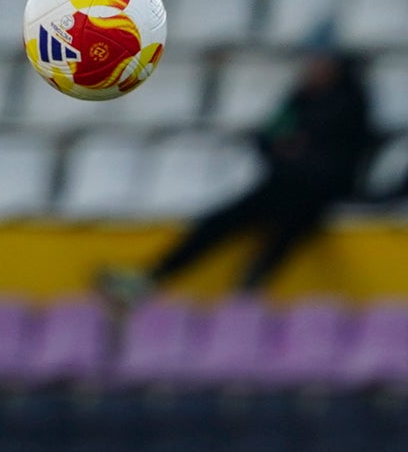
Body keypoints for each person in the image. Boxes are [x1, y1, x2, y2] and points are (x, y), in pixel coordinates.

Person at [100, 48, 376, 301]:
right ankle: (154, 275)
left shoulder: (349, 102)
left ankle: (246, 288)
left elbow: (331, 149)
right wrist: (289, 150)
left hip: (319, 189)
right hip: (282, 183)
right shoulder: (301, 97)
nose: (311, 68)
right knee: (219, 222)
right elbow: (268, 136)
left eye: (319, 62)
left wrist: (294, 149)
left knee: (288, 224)